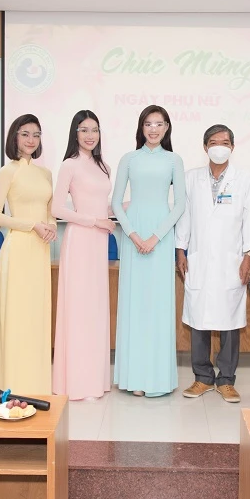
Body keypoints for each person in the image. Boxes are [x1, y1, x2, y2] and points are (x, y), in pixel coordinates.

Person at [176, 125, 250, 404]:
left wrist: (248, 255)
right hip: (198, 258)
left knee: (230, 320)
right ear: (205, 147)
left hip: (231, 260)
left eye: (224, 142)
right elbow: (184, 217)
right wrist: (180, 250)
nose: (219, 147)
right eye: (213, 142)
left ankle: (226, 380)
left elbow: (249, 220)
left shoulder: (244, 179)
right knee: (198, 318)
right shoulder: (191, 178)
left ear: (232, 147)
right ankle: (202, 377)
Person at [111, 105, 186, 397]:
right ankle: (134, 378)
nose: (153, 129)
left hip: (161, 237)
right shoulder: (129, 159)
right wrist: (133, 235)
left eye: (159, 124)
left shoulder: (174, 160)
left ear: (167, 128)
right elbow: (117, 203)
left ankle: (157, 379)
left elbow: (179, 204)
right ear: (141, 127)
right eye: (148, 124)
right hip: (133, 237)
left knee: (157, 305)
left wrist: (155, 237)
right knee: (135, 304)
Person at [0, 114, 55, 394]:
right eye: (25, 134)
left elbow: (49, 213)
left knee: (37, 318)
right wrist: (32, 225)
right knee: (17, 318)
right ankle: (13, 385)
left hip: (40, 251)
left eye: (36, 135)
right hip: (17, 250)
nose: (31, 140)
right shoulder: (8, 171)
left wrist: (50, 226)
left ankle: (37, 385)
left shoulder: (45, 173)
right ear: (14, 136)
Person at [52, 110, 114, 401]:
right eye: (84, 129)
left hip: (99, 242)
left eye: (95, 130)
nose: (90, 135)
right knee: (78, 310)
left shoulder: (103, 166)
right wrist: (94, 221)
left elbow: (102, 205)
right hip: (80, 240)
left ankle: (94, 380)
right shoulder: (70, 164)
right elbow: (56, 209)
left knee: (95, 309)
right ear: (75, 133)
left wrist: (123, 209)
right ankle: (76, 384)